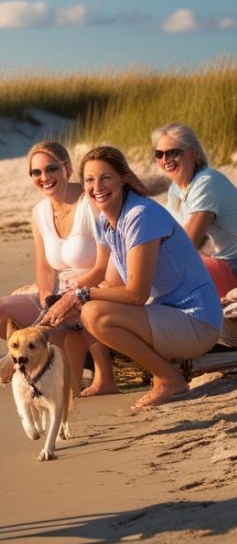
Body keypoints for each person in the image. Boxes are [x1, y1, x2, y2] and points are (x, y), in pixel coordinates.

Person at [44, 146, 222, 409]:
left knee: (94, 314)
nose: (97, 186)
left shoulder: (140, 215)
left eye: (105, 177)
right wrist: (65, 302)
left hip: (197, 320)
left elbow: (135, 295)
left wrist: (82, 296)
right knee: (84, 314)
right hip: (166, 315)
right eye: (89, 180)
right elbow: (106, 279)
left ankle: (168, 379)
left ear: (123, 178)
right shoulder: (105, 220)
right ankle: (78, 392)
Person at [0, 140, 117, 396]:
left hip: (95, 288)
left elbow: (107, 264)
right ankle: (50, 358)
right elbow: (44, 269)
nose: (45, 177)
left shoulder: (91, 203)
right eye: (36, 172)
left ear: (67, 168)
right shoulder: (39, 212)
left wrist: (72, 296)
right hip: (58, 291)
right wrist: (47, 304)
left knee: (83, 311)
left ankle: (104, 376)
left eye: (52, 169)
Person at [152, 122, 237, 299]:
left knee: (161, 278)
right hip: (212, 260)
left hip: (232, 265)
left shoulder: (207, 182)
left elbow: (187, 244)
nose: (165, 160)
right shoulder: (176, 189)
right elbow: (169, 235)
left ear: (192, 154)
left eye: (173, 152)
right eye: (159, 154)